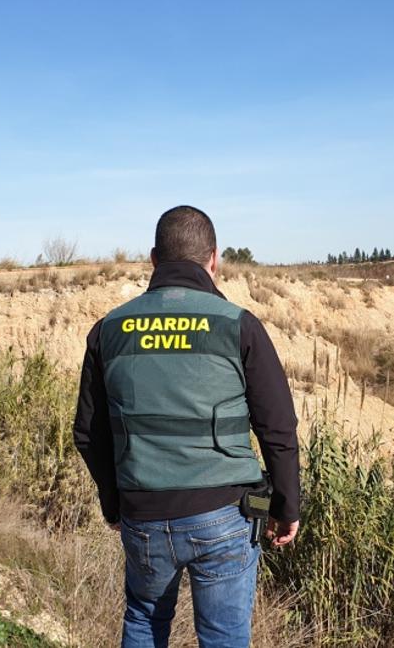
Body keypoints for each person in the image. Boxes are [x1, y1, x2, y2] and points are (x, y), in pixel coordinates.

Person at [73, 205, 301, 648]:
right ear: (213, 260)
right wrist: (286, 507)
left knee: (143, 621)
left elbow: (88, 432)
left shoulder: (108, 329)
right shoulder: (239, 325)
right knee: (223, 637)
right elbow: (278, 428)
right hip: (225, 516)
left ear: (154, 259)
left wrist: (114, 503)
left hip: (143, 515)